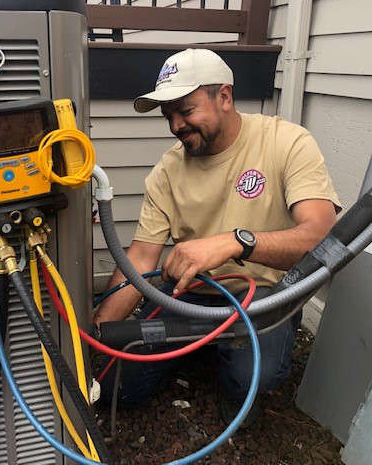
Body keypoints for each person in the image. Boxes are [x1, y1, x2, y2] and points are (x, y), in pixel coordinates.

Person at [92, 48, 341, 425]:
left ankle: (214, 349)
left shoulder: (286, 142)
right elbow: (142, 259)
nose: (176, 125)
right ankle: (202, 340)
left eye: (186, 110)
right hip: (188, 293)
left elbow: (322, 237)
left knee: (249, 377)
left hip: (262, 295)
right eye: (168, 115)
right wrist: (95, 335)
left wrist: (236, 241)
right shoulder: (167, 171)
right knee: (117, 388)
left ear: (224, 96)